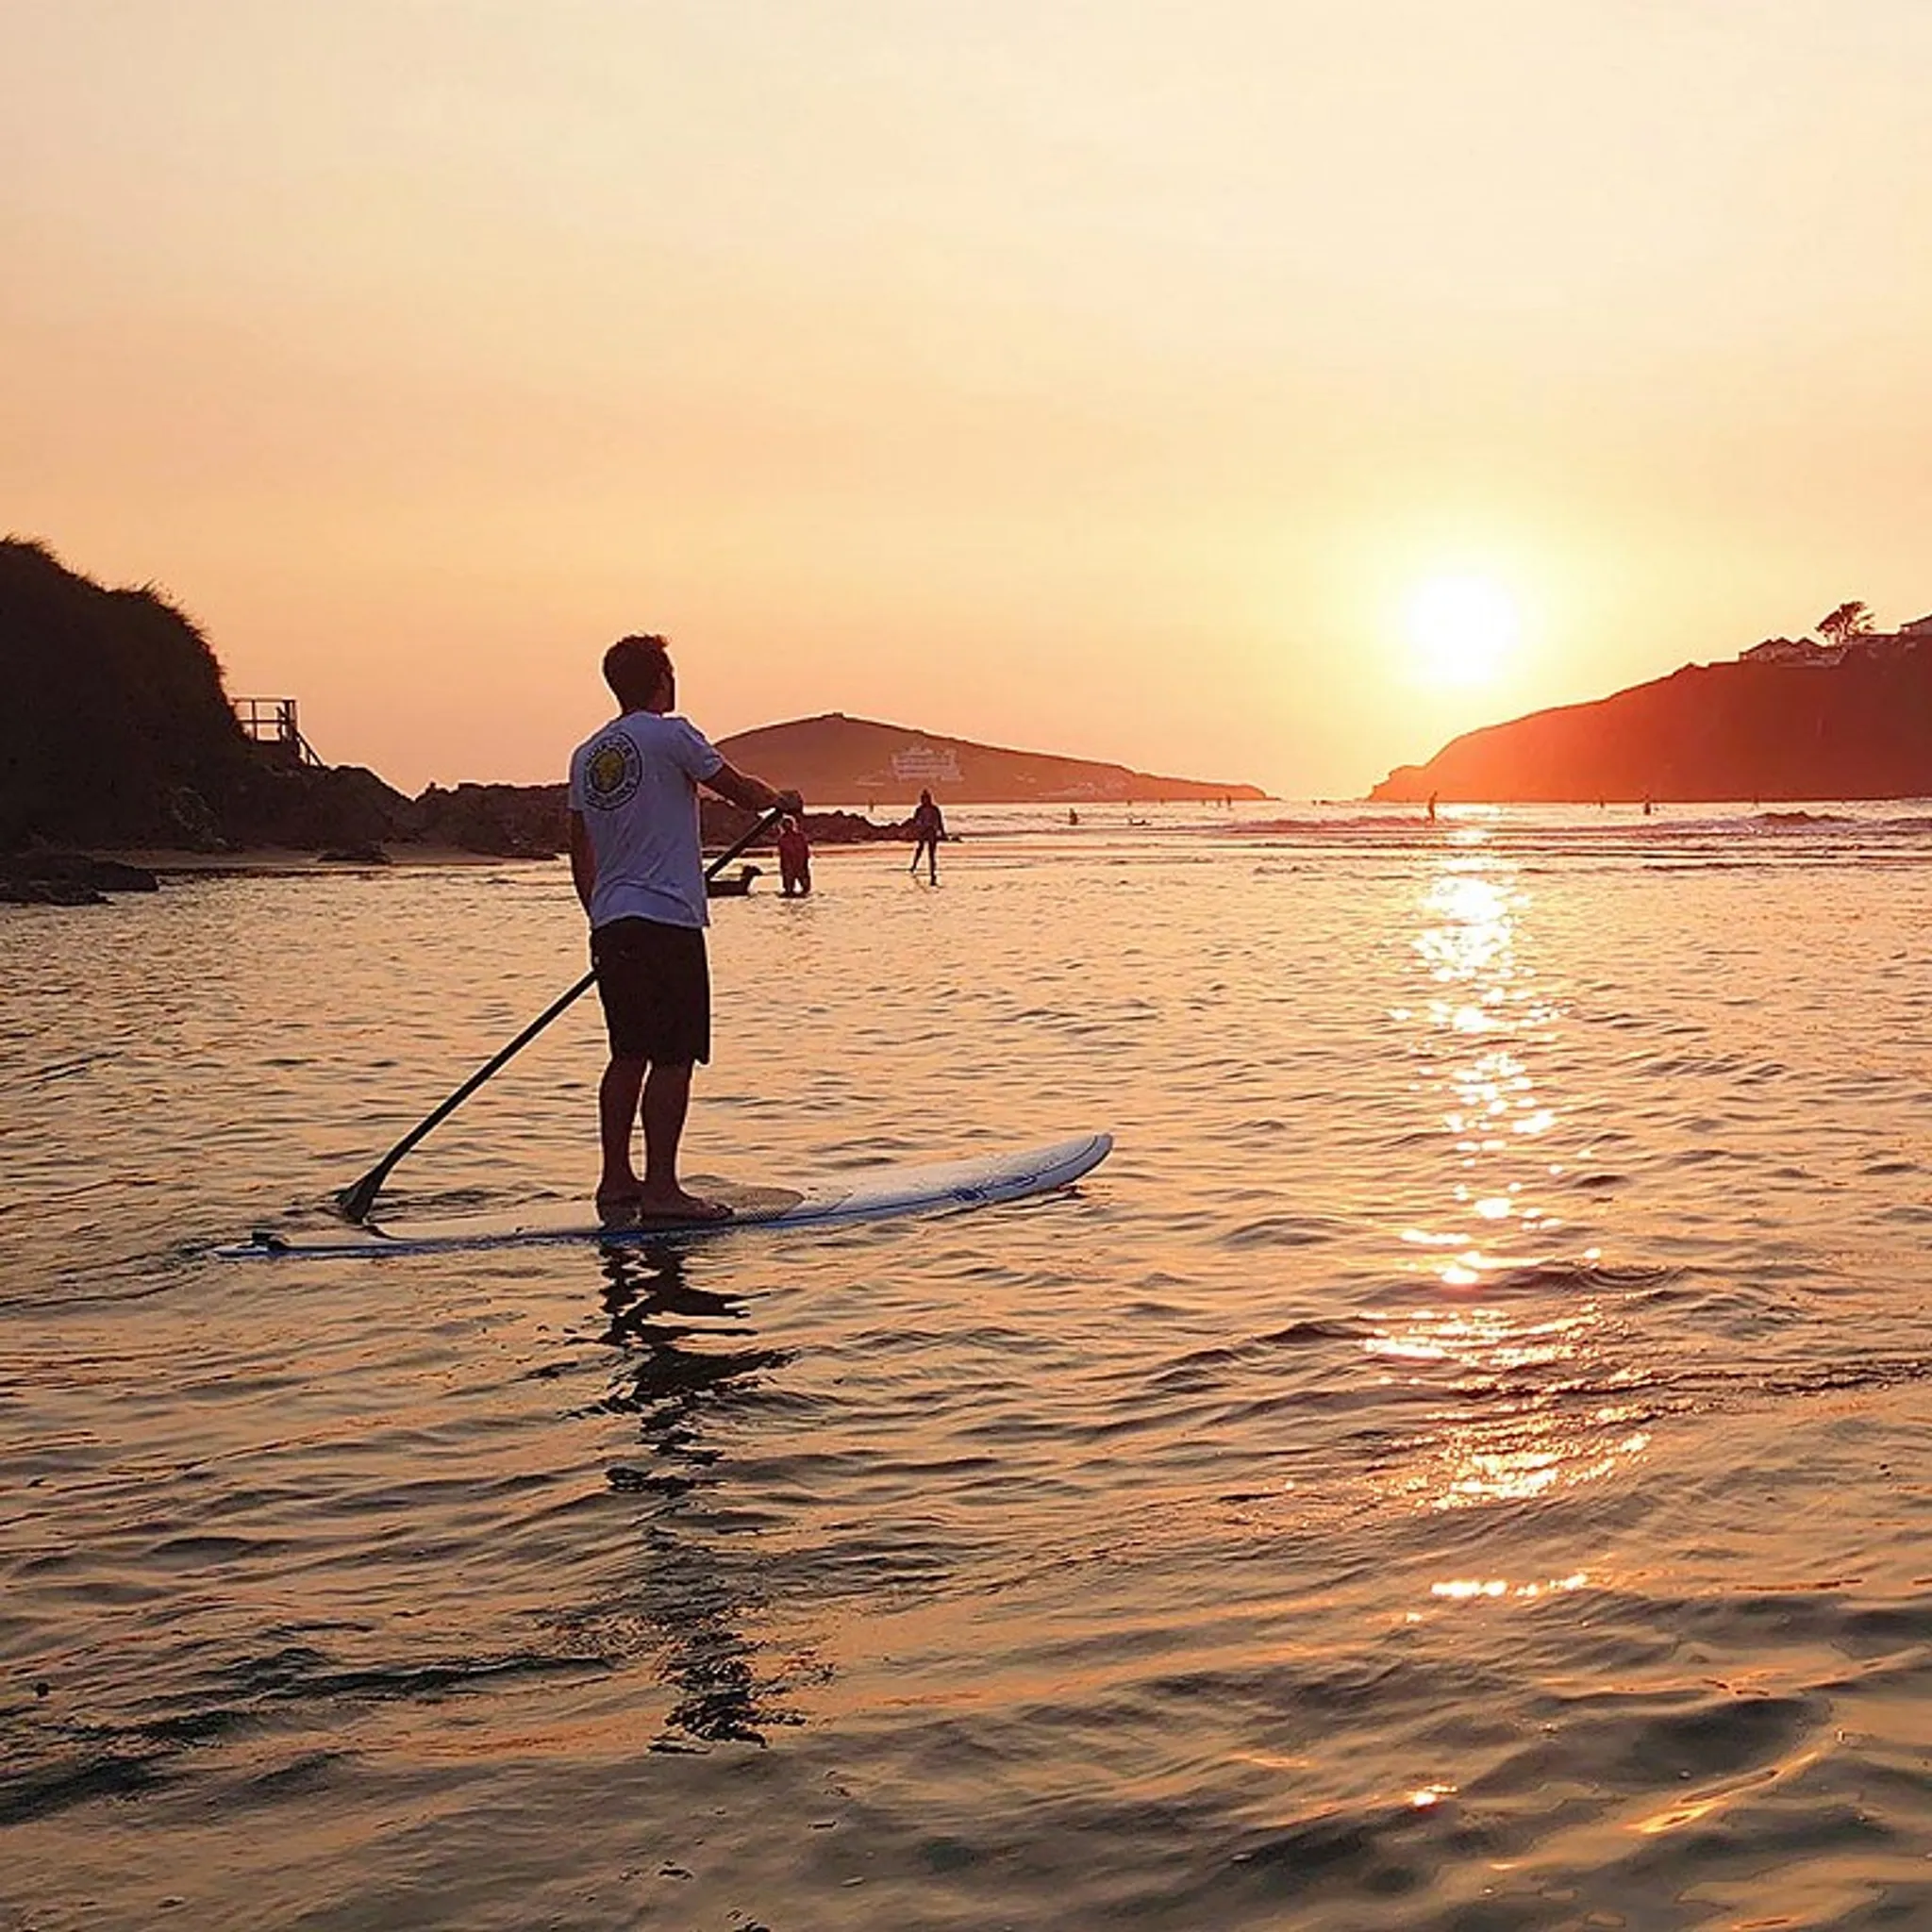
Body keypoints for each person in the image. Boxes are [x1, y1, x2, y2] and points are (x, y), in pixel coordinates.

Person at [568, 634, 802, 1223]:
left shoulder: (588, 755)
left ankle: (616, 1181)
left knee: (627, 1054)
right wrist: (783, 798)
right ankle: (663, 1190)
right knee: (673, 1057)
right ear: (662, 678)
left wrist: (598, 915)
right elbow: (741, 792)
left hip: (613, 920)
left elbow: (578, 848)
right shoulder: (672, 733)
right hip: (666, 918)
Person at [909, 788, 945, 883]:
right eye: (922, 799)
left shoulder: (934, 809)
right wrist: (914, 831)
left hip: (931, 832)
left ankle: (932, 872)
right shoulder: (919, 810)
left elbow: (939, 821)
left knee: (931, 854)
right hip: (922, 832)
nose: (923, 800)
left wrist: (942, 832)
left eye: (925, 798)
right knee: (920, 849)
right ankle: (914, 866)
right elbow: (915, 821)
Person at [776, 814, 812, 896]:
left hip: (798, 866)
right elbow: (783, 856)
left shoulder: (799, 837)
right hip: (792, 867)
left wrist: (804, 865)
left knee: (804, 890)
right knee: (790, 891)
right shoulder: (783, 839)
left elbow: (806, 852)